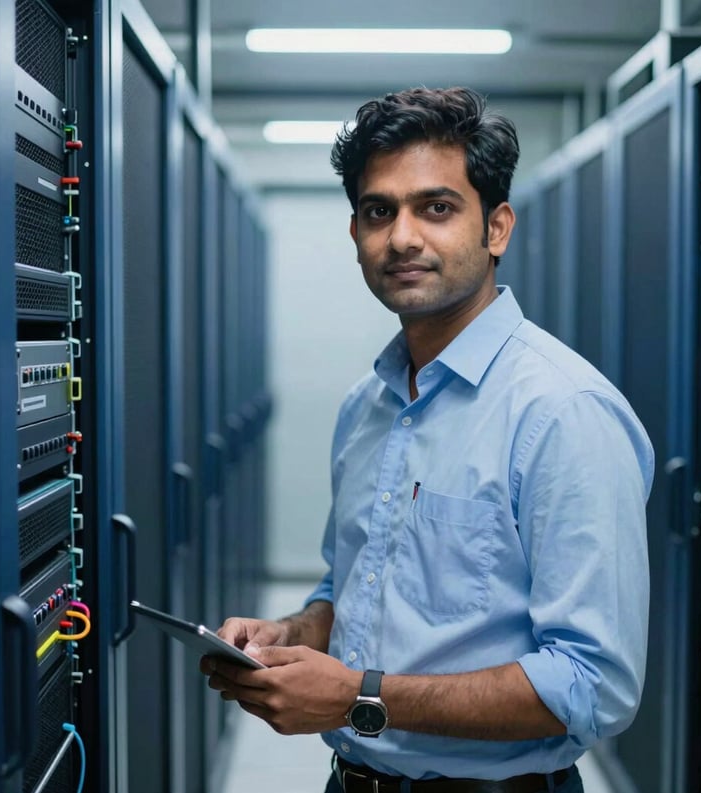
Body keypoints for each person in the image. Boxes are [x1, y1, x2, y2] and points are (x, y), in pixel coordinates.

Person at [200, 87, 654, 793]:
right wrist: (291, 634)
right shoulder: (367, 406)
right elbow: (351, 590)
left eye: (436, 208)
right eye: (379, 212)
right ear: (356, 232)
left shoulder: (563, 412)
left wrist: (359, 696)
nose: (403, 237)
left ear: (496, 228)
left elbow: (593, 684)